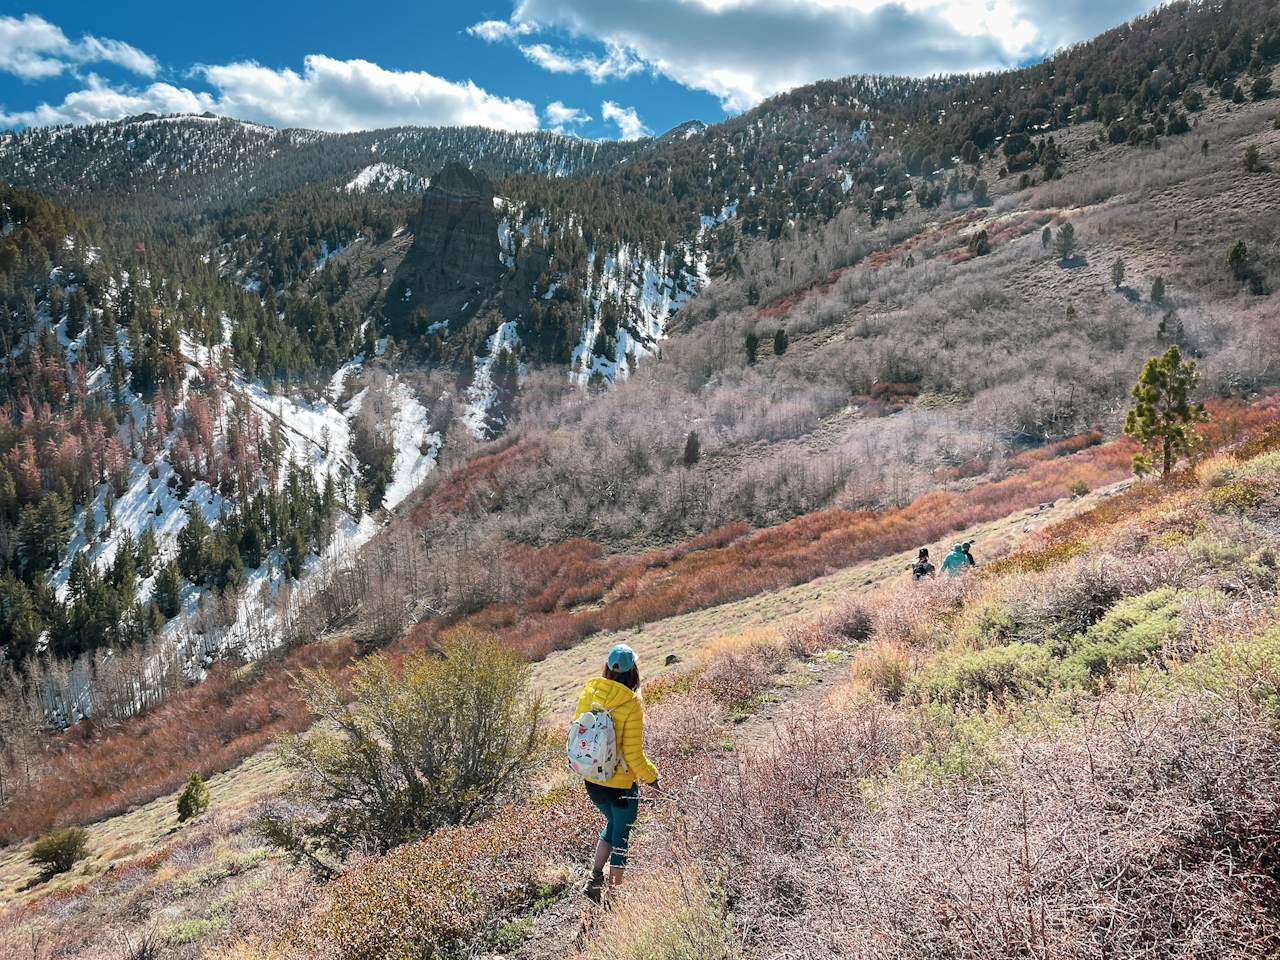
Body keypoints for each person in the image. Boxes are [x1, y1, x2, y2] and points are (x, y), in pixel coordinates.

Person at [575, 643, 660, 903]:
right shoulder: (632, 703)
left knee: (612, 825)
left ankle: (594, 878)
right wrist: (653, 777)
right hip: (621, 786)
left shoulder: (590, 692)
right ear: (632, 669)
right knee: (621, 838)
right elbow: (633, 755)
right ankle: (614, 898)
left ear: (608, 668)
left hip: (592, 780)